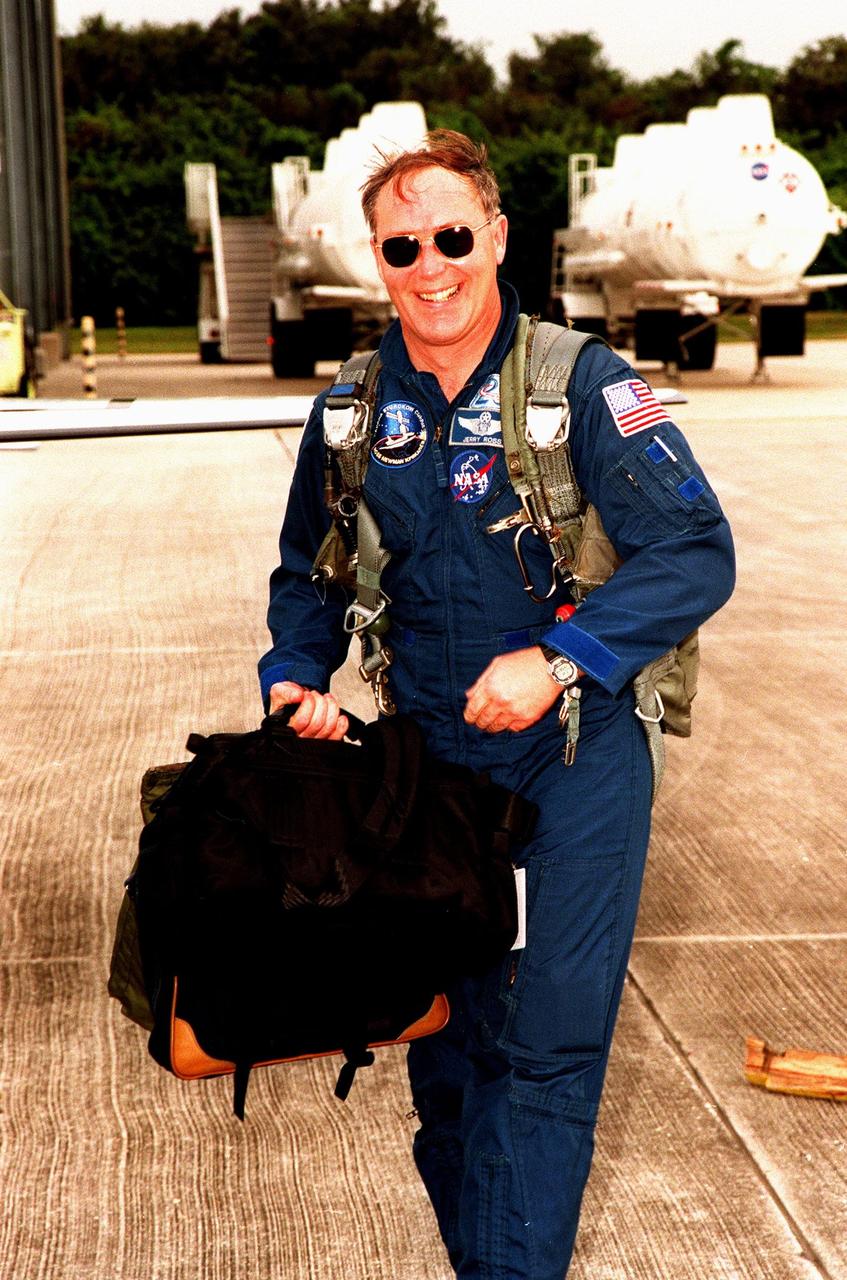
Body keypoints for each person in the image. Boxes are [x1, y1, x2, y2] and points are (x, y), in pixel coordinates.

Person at [259, 131, 735, 1279]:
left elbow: (696, 554)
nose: (432, 265)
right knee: (451, 1052)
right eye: (403, 245)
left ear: (498, 237)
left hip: (574, 762)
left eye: (453, 237)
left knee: (546, 1049)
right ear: (377, 258)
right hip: (428, 768)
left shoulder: (584, 384)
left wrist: (563, 656)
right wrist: (291, 675)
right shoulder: (351, 412)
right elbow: (306, 576)